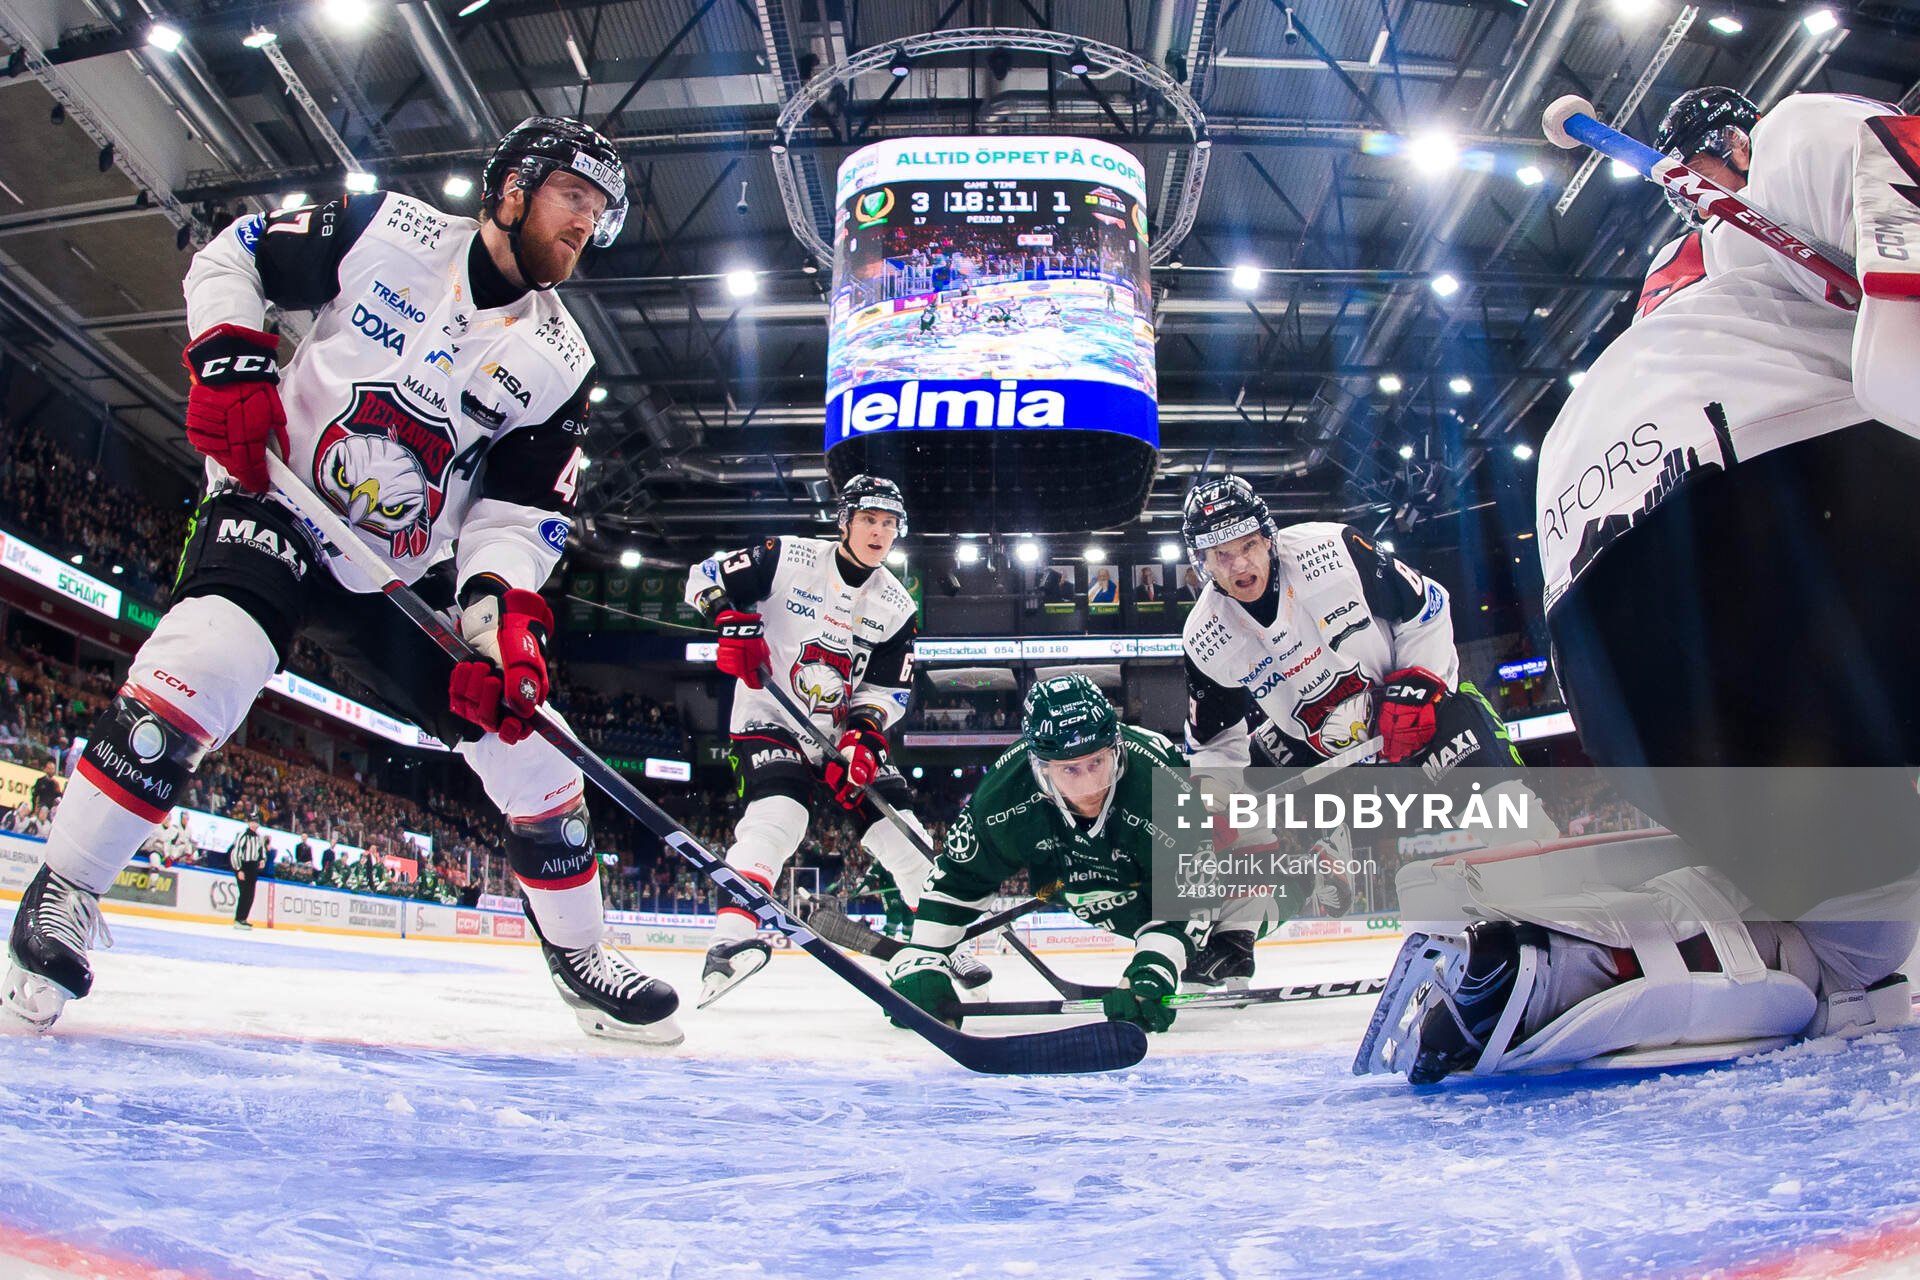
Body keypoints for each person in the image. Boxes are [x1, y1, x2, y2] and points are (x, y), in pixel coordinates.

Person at [2, 116, 680, 1045]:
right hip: (275, 500)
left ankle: (579, 952)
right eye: (572, 197)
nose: (584, 226)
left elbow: (514, 521)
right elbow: (227, 258)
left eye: (598, 212)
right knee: (211, 657)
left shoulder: (562, 365)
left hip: (393, 570)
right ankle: (64, 890)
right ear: (513, 188)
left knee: (535, 747)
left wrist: (498, 626)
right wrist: (233, 362)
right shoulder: (386, 230)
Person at [1360, 88, 1920, 1085]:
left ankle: (1588, 956)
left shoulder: (1684, 284)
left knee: (1855, 939)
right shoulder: (1802, 134)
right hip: (1764, 523)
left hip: (1608, 636)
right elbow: (1898, 358)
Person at [1177, 474, 1535, 986]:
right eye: (1220, 554)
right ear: (1201, 563)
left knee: (1485, 767)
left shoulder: (1334, 551)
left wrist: (1419, 684)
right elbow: (1214, 744)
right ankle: (1236, 937)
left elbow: (1428, 605)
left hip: (1409, 717)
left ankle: (1546, 896)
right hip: (1320, 758)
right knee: (1231, 802)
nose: (1239, 564)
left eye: (1248, 545)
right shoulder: (1204, 637)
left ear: (1268, 536)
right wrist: (1214, 808)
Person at [683, 475, 951, 1005]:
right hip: (769, 717)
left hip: (839, 735)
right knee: (781, 815)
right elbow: (704, 575)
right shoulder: (786, 556)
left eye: (890, 524)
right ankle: (728, 944)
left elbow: (889, 688)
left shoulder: (897, 604)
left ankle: (943, 944)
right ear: (845, 520)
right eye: (870, 520)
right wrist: (728, 618)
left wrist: (864, 736)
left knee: (902, 830)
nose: (880, 533)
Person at [888, 673, 1232, 1032]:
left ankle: (1230, 939)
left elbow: (1191, 893)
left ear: (1117, 748)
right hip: (1082, 887)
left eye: (1097, 763)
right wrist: (925, 958)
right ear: (1041, 767)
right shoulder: (1003, 794)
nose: (1088, 785)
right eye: (1070, 769)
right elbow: (958, 880)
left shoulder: (1162, 780)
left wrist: (1154, 966)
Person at [227, 816, 271, 930]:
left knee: (251, 894)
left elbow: (262, 851)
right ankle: (239, 918)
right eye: (251, 822)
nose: (253, 824)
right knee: (244, 893)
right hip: (243, 865)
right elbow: (236, 852)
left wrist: (262, 860)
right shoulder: (243, 835)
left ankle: (243, 918)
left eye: (255, 822)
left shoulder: (259, 837)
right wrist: (238, 869)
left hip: (252, 867)